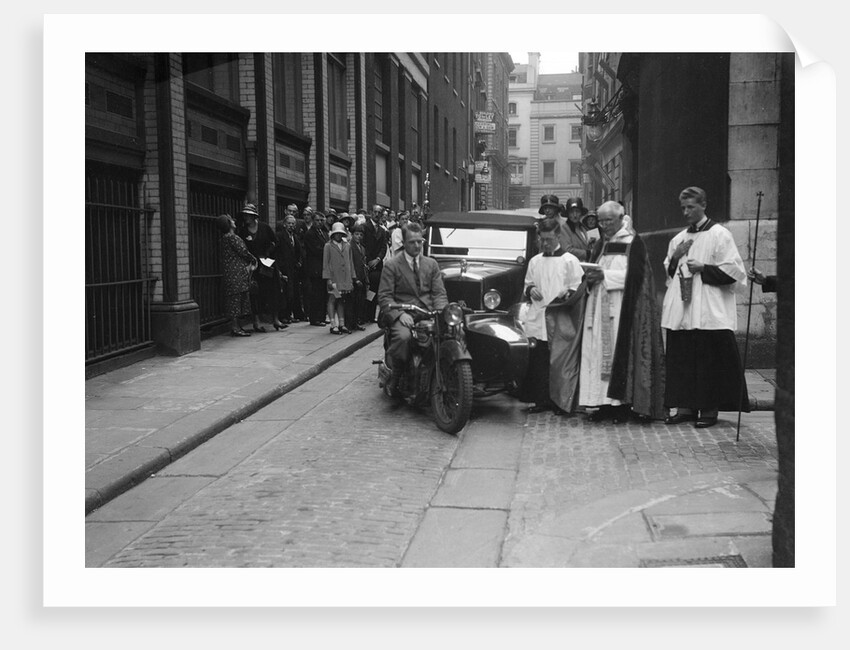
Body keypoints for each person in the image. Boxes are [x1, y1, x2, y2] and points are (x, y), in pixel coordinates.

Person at [661, 186, 749, 428]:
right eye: (683, 207)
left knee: (709, 360)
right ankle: (686, 408)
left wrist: (704, 268)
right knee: (684, 359)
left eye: (691, 207)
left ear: (703, 205)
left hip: (710, 307)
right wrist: (677, 257)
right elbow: (669, 272)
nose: (686, 212)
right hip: (683, 307)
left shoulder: (720, 234)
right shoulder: (678, 239)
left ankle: (709, 411)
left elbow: (735, 272)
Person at [579, 201, 666, 423]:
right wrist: (589, 278)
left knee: (619, 355)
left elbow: (638, 278)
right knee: (597, 354)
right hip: (598, 307)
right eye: (600, 220)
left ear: (620, 218)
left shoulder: (633, 242)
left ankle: (621, 405)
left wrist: (605, 277)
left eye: (608, 220)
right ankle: (601, 403)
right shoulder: (600, 244)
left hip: (621, 308)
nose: (604, 225)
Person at [519, 217, 583, 414]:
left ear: (558, 236)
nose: (545, 243)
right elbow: (528, 283)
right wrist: (530, 291)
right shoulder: (535, 261)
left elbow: (578, 286)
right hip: (538, 315)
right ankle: (541, 400)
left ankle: (560, 402)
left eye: (549, 239)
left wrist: (568, 293)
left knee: (559, 361)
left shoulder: (569, 261)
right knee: (539, 360)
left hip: (559, 316)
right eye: (542, 239)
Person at [378, 222, 448, 394]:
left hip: (427, 313)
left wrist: (440, 311)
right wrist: (399, 314)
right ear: (404, 242)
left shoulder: (431, 264)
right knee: (403, 337)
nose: (417, 245)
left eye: (420, 241)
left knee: (450, 333)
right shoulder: (392, 265)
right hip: (404, 312)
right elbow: (384, 296)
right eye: (412, 242)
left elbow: (439, 293)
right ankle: (396, 375)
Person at [236, 203, 286, 332]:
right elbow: (242, 249)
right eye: (245, 215)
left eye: (249, 215)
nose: (246, 218)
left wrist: (268, 253)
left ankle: (276, 319)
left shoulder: (264, 227)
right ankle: (256, 321)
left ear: (254, 217)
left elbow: (275, 242)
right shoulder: (243, 231)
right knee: (255, 293)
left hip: (267, 264)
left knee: (273, 291)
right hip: (254, 266)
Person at [217, 213, 256, 337]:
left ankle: (237, 326)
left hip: (230, 272)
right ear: (228, 224)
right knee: (237, 299)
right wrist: (253, 259)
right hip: (237, 273)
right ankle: (235, 327)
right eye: (230, 220)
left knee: (234, 299)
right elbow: (243, 252)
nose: (233, 221)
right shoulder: (233, 238)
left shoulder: (224, 238)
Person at [323, 221, 356, 334]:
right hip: (334, 277)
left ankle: (341, 323)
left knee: (341, 299)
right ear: (332, 234)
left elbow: (350, 262)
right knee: (333, 299)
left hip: (345, 278)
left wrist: (352, 277)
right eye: (336, 233)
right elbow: (325, 263)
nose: (338, 235)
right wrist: (328, 278)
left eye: (340, 233)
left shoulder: (347, 245)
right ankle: (333, 324)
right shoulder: (328, 246)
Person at [274, 213, 305, 323]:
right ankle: (284, 316)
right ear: (284, 224)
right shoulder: (279, 236)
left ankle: (290, 314)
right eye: (289, 223)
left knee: (293, 293)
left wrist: (299, 262)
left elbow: (298, 252)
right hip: (284, 268)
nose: (291, 225)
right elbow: (276, 253)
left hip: (293, 269)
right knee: (285, 293)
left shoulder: (294, 237)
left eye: (293, 224)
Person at [303, 210, 330, 326]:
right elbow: (316, 249)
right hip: (315, 267)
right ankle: (315, 318)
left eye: (321, 220)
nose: (319, 222)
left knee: (323, 293)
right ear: (313, 221)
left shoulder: (323, 232)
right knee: (316, 294)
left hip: (323, 267)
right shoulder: (310, 234)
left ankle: (322, 316)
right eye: (317, 220)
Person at [363, 204, 388, 323]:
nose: (377, 214)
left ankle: (371, 315)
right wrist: (369, 261)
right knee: (366, 291)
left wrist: (378, 259)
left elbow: (384, 247)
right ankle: (364, 315)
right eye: (375, 212)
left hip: (377, 265)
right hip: (367, 264)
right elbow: (363, 245)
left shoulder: (382, 231)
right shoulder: (364, 227)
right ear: (371, 213)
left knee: (374, 290)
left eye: (379, 212)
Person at [348, 223, 369, 330]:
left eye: (361, 235)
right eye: (356, 234)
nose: (359, 237)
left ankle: (356, 322)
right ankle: (350, 323)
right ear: (352, 234)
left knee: (359, 301)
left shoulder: (362, 248)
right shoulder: (349, 246)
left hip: (362, 276)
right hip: (354, 277)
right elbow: (350, 263)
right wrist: (354, 278)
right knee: (352, 301)